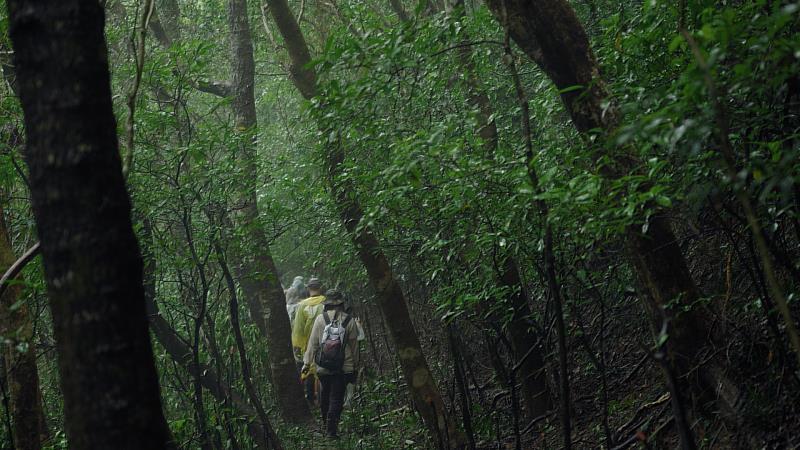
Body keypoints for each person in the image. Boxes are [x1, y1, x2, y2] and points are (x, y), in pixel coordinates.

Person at [302, 289, 360, 439]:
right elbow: (354, 347)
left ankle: (326, 424)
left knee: (325, 396)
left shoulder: (320, 320)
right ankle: (331, 431)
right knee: (336, 398)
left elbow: (313, 343)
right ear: (341, 303)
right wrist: (355, 366)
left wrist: (307, 363)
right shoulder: (349, 320)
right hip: (343, 367)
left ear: (326, 304)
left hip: (323, 366)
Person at [292, 277, 325, 401]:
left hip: (308, 343)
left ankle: (311, 397)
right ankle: (322, 396)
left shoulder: (302, 306)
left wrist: (297, 345)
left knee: (309, 368)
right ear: (321, 288)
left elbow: (298, 329)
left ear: (308, 289)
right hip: (325, 341)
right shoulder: (326, 303)